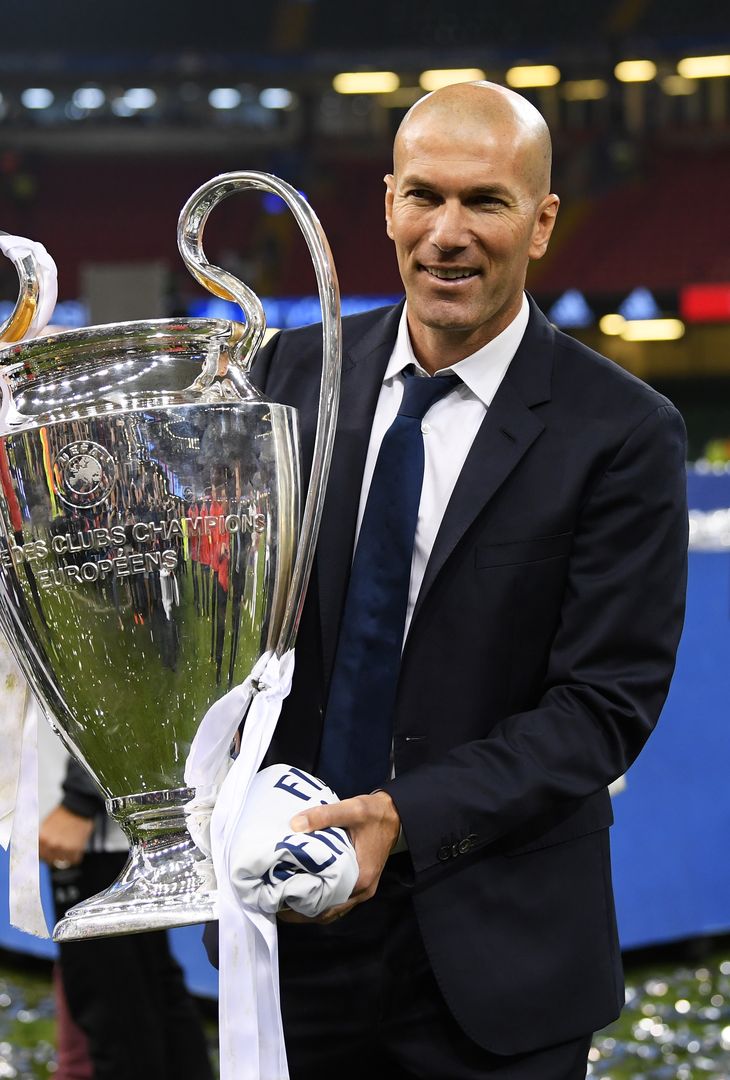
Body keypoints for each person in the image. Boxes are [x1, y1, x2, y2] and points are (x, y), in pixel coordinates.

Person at [207, 81, 688, 1079]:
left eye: (486, 202)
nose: (447, 234)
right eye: (424, 196)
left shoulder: (623, 435)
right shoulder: (281, 383)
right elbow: (219, 627)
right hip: (289, 930)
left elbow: (602, 707)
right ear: (387, 203)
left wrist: (404, 817)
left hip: (497, 956)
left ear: (542, 221)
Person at [40, 758, 214, 1080]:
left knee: (116, 1015)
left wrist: (77, 800)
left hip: (97, 825)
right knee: (152, 991)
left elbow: (104, 707)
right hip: (117, 817)